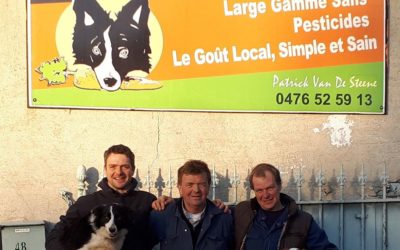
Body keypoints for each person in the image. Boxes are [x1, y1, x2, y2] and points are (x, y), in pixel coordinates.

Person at [45, 144, 157, 250]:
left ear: (132, 169)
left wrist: (171, 201)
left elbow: (169, 230)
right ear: (105, 169)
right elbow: (55, 237)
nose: (118, 172)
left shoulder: (147, 201)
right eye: (113, 166)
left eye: (125, 167)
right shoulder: (87, 202)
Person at [235, 163, 337, 250]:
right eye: (259, 190)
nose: (265, 195)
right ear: (254, 191)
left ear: (279, 186)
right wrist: (218, 204)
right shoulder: (242, 212)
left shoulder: (303, 221)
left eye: (270, 188)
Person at [150, 160, 234, 250]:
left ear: (209, 186)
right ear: (180, 188)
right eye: (190, 185)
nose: (196, 190)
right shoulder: (161, 216)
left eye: (202, 184)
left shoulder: (224, 218)